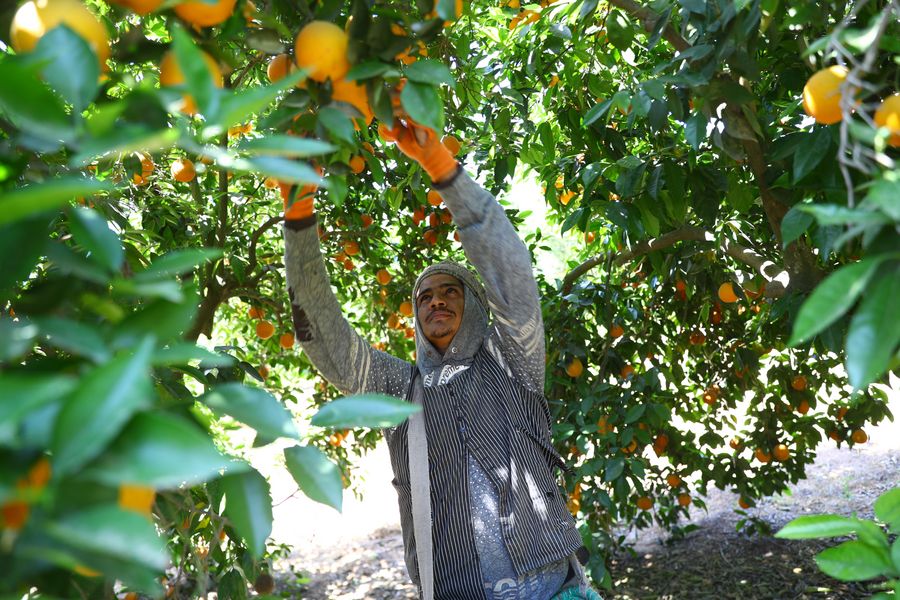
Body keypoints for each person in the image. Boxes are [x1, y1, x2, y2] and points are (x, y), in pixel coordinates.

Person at [281, 116, 601, 600]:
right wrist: (298, 214)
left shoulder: (511, 359)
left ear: (474, 302)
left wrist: (441, 167)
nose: (436, 301)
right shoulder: (398, 393)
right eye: (424, 297)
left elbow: (512, 275)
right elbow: (328, 340)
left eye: (450, 290)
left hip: (552, 587)